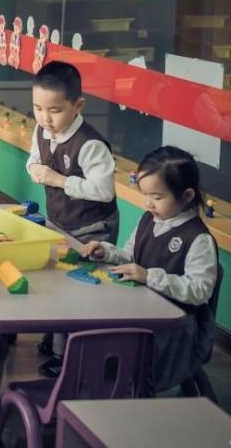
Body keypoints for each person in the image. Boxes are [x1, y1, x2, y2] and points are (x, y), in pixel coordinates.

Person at [81, 146, 216, 394]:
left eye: (157, 197)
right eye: (145, 194)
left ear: (187, 195)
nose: (148, 203)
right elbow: (132, 255)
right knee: (94, 328)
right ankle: (101, 385)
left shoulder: (198, 238)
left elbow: (200, 290)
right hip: (141, 313)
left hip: (172, 331)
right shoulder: (149, 219)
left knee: (114, 348)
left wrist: (149, 276)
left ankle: (120, 390)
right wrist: (106, 251)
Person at [26, 61, 118, 376]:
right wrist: (35, 169)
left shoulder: (91, 144)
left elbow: (103, 190)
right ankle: (53, 338)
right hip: (61, 220)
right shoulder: (41, 131)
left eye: (54, 110)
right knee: (56, 279)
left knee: (76, 290)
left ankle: (67, 357)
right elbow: (34, 159)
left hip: (93, 228)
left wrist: (58, 180)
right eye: (38, 108)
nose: (44, 118)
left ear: (78, 106)